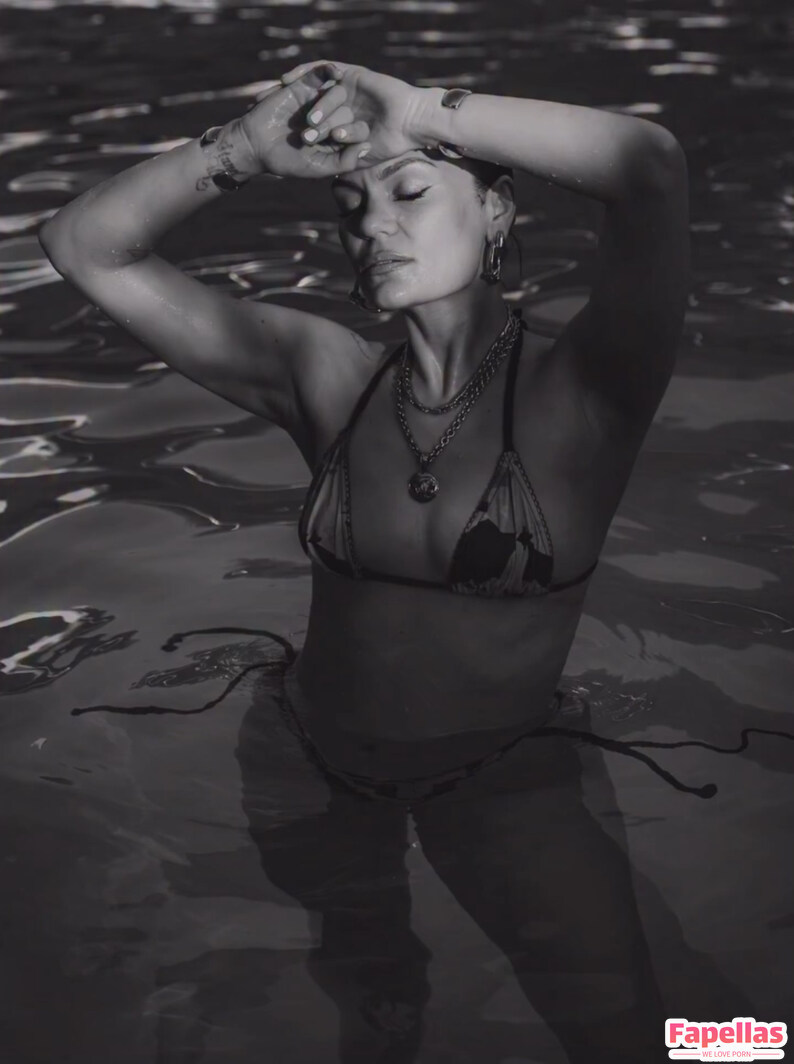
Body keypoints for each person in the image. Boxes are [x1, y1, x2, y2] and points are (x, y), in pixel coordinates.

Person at [40, 60, 698, 1061]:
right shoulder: (328, 377)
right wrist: (244, 149)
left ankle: (757, 1043)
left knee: (629, 1034)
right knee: (373, 1001)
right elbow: (82, 247)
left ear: (495, 214)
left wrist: (418, 112)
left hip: (498, 784)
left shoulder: (589, 392)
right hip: (305, 757)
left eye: (410, 191)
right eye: (350, 206)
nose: (372, 226)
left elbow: (649, 167)